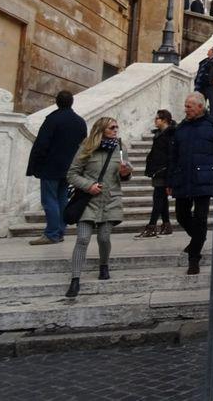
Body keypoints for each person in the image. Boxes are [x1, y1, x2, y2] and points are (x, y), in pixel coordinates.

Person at [65, 117, 132, 298]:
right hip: (88, 200)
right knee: (83, 239)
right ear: (101, 129)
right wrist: (89, 185)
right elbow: (72, 174)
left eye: (117, 126)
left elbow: (124, 175)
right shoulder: (86, 148)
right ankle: (75, 279)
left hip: (111, 199)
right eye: (112, 127)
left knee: (104, 238)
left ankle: (104, 265)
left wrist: (126, 173)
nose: (116, 129)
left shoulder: (120, 148)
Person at [26, 91, 88, 245]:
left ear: (57, 102)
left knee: (49, 200)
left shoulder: (53, 119)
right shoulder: (80, 122)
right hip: (70, 168)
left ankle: (52, 233)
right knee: (62, 199)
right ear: (72, 102)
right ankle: (60, 231)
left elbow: (41, 144)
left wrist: (35, 164)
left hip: (50, 166)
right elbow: (83, 146)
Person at [168, 93, 213, 275]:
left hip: (204, 179)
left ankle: (194, 258)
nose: (185, 109)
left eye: (189, 106)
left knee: (201, 217)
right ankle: (199, 238)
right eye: (185, 106)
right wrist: (170, 179)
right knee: (181, 215)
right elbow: (173, 156)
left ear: (200, 107)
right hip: (182, 178)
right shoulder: (181, 128)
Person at [135, 110, 175, 238]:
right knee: (161, 198)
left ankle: (152, 226)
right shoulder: (159, 134)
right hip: (158, 169)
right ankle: (166, 224)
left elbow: (170, 155)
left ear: (164, 120)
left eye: (157, 118)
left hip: (164, 170)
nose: (155, 120)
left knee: (158, 198)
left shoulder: (170, 134)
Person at [194, 47, 213, 115]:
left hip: (210, 86)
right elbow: (200, 71)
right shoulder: (204, 61)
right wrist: (196, 80)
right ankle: (200, 118)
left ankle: (212, 119)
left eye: (210, 50)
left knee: (212, 104)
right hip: (201, 85)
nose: (208, 50)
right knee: (200, 104)